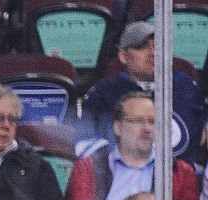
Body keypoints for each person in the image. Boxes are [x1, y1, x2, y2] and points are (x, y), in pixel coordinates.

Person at [65, 92, 203, 200]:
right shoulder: (89, 167)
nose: (146, 129)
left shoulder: (178, 171)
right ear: (117, 127)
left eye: (152, 122)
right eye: (137, 121)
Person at [79, 22, 208, 169]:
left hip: (187, 181)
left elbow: (203, 119)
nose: (153, 53)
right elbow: (87, 145)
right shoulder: (104, 92)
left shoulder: (185, 84)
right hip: (126, 180)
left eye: (158, 46)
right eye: (142, 47)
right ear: (123, 56)